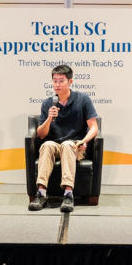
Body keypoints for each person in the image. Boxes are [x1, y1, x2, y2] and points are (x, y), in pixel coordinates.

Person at [28, 64, 98, 213]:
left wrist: (83, 141)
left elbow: (94, 127)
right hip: (55, 146)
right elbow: (41, 134)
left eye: (61, 81)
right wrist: (49, 118)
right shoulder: (48, 103)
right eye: (55, 81)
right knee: (47, 145)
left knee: (67, 144)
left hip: (75, 146)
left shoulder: (83, 99)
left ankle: (68, 195)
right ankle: (41, 194)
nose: (57, 85)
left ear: (70, 82)